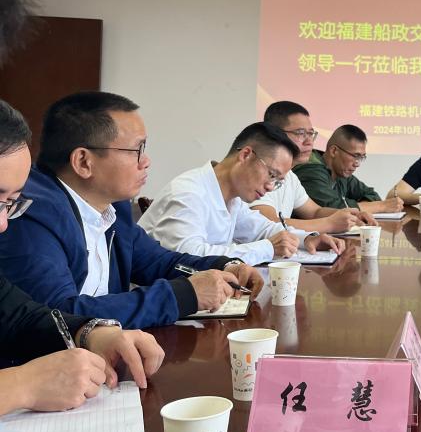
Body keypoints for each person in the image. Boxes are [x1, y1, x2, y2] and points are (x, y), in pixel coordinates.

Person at [0, 0, 159, 432]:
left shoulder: (109, 209)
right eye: (134, 150)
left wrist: (93, 331)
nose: (4, 223)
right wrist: (19, 384)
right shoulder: (42, 211)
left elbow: (20, 312)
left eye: (7, 203)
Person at [0, 93, 263, 329]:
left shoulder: (113, 207)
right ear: (83, 161)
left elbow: (157, 262)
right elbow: (58, 316)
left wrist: (224, 266)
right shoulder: (29, 214)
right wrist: (183, 295)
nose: (146, 161)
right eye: (137, 149)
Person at [140, 122, 342, 266]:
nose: (270, 187)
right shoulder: (188, 192)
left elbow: (263, 229)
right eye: (271, 175)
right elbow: (187, 257)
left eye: (277, 181)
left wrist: (306, 239)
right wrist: (267, 248)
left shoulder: (233, 196)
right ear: (245, 155)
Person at [252, 101, 379, 232]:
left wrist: (353, 215)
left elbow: (315, 212)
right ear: (274, 134)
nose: (309, 142)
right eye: (300, 133)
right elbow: (268, 222)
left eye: (311, 134)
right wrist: (329, 223)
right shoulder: (258, 172)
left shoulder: (291, 177)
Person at [292, 122, 404, 215]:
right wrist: (380, 206)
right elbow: (331, 208)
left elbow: (372, 195)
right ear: (334, 151)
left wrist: (364, 207)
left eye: (361, 157)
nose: (357, 164)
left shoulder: (341, 173)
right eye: (355, 156)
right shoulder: (310, 170)